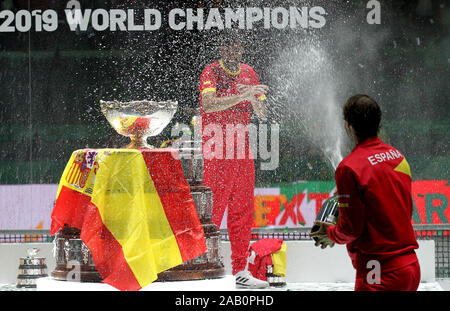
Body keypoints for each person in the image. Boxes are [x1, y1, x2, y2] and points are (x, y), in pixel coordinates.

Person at [310, 94, 421, 291]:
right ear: (378, 122)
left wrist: (331, 234)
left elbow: (351, 229)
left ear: (348, 125)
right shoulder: (398, 157)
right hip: (411, 268)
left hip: (377, 271)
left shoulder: (348, 168)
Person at [198, 31, 269, 288]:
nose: (231, 51)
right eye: (227, 47)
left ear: (240, 49)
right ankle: (204, 266)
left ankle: (240, 270)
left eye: (235, 47)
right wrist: (243, 95)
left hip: (242, 152)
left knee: (243, 212)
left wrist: (256, 98)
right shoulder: (211, 71)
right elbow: (208, 104)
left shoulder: (249, 72)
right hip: (217, 150)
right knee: (213, 213)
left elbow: (261, 112)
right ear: (221, 49)